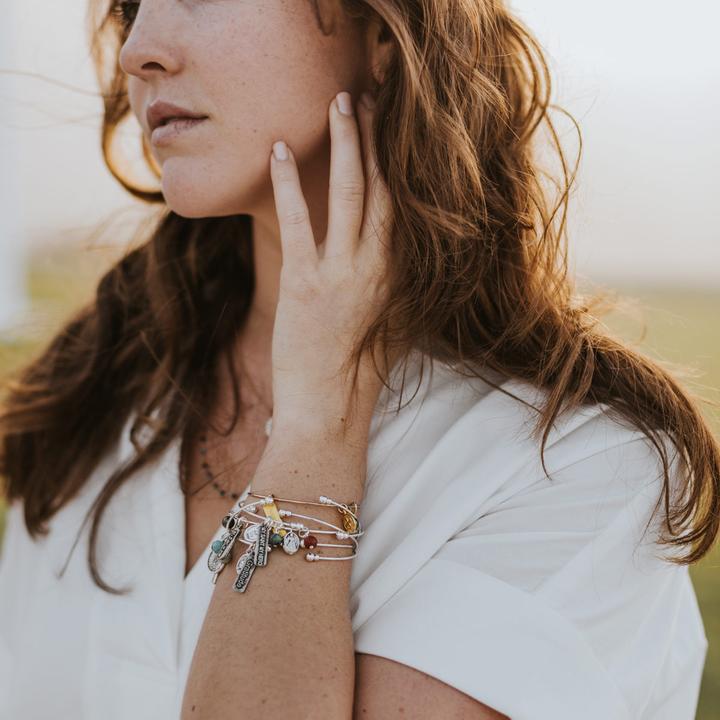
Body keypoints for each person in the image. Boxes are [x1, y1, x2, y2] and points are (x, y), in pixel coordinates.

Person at [0, 1, 716, 718]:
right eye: (131, 6)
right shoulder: (87, 402)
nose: (138, 50)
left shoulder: (578, 465)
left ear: (382, 34)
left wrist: (316, 429)